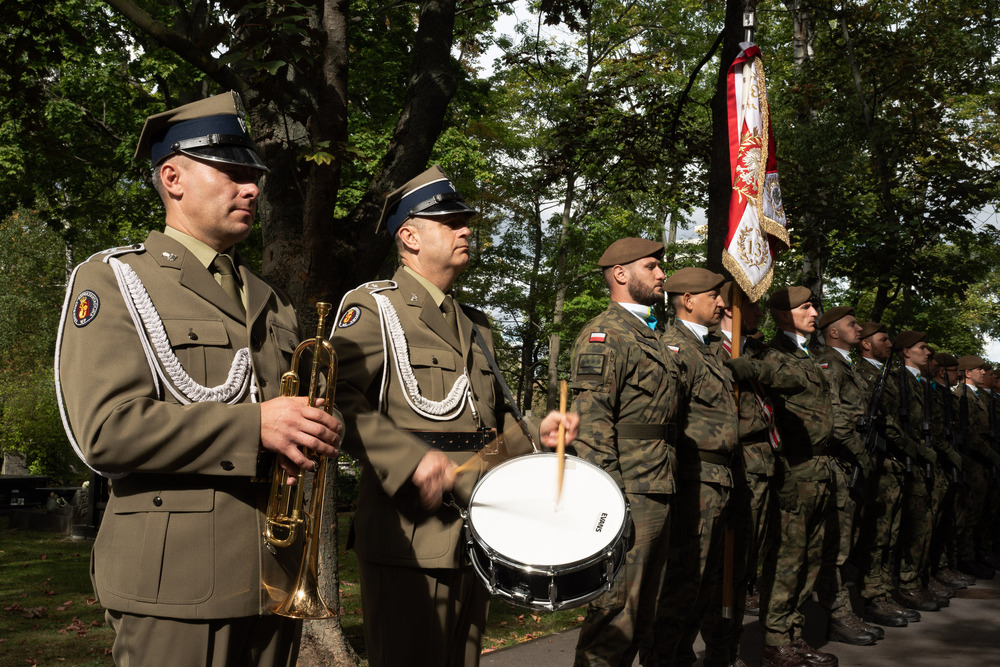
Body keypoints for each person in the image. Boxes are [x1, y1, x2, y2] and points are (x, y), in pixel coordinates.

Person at [55, 91, 343, 666]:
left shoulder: (271, 299)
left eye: (254, 176)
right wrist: (254, 427)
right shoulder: (116, 280)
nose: (252, 189)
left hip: (273, 577)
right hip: (174, 582)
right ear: (173, 177)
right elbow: (105, 432)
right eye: (233, 173)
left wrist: (315, 428)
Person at [331, 165, 579, 667]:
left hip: (477, 533)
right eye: (451, 222)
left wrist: (535, 432)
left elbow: (486, 430)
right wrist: (409, 460)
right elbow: (335, 396)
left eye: (466, 220)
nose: (467, 229)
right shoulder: (374, 308)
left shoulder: (476, 324)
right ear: (410, 235)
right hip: (410, 533)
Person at [569, 237, 684, 667]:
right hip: (629, 491)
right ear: (621, 274)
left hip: (657, 483)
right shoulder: (604, 335)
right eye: (652, 267)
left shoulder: (650, 335)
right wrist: (609, 496)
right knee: (616, 610)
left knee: (645, 608)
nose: (661, 275)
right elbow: (591, 423)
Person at [648, 267, 739, 667]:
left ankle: (680, 657)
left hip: (717, 479)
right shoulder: (675, 351)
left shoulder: (707, 349)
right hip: (693, 481)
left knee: (702, 586)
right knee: (681, 586)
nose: (722, 303)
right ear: (688, 300)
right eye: (714, 296)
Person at [752, 286, 837, 667]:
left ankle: (793, 634)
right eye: (805, 307)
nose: (814, 312)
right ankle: (774, 639)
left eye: (814, 306)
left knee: (810, 559)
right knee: (787, 559)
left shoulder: (809, 354)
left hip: (819, 468)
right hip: (795, 468)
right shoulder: (773, 354)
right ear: (783, 315)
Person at [701, 282, 780, 667]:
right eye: (752, 306)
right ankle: (718, 651)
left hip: (762, 466)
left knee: (745, 564)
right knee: (721, 567)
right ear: (732, 307)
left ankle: (729, 648)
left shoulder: (760, 352)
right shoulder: (709, 349)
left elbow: (798, 380)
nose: (760, 313)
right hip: (731, 466)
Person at [812, 306, 882, 645]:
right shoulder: (828, 363)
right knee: (835, 547)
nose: (858, 328)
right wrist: (862, 454)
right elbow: (836, 420)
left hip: (848, 463)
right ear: (833, 332)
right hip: (840, 463)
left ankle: (840, 612)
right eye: (851, 324)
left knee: (845, 542)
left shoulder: (846, 365)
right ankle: (837, 615)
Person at [852, 322, 920, 629]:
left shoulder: (889, 375)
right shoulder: (863, 374)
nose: (889, 343)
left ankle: (883, 591)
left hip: (890, 463)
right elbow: (880, 421)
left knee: (889, 533)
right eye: (883, 339)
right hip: (874, 465)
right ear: (866, 344)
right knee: (875, 535)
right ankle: (871, 596)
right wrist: (910, 446)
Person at [892, 330, 945, 612]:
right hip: (903, 462)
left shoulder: (920, 384)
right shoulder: (897, 380)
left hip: (921, 462)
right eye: (922, 348)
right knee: (907, 528)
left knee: (923, 524)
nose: (928, 352)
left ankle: (914, 580)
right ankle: (904, 584)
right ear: (906, 352)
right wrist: (917, 450)